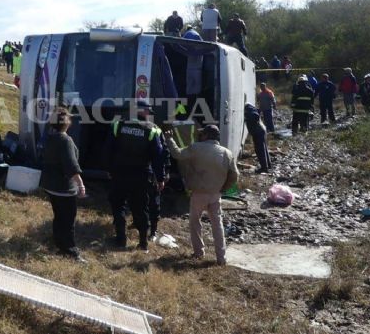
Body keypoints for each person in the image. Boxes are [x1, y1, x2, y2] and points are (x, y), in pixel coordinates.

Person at [164, 124, 238, 265]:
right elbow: (234, 175)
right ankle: (221, 258)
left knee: (195, 222)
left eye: (202, 134)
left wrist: (169, 139)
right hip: (216, 194)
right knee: (217, 224)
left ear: (206, 135)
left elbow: (177, 154)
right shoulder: (227, 153)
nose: (200, 135)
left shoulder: (196, 147)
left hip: (198, 193)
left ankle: (199, 252)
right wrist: (223, 188)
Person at [105, 101, 165, 252]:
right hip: (141, 175)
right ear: (142, 111)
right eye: (148, 111)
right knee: (140, 208)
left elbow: (108, 149)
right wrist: (160, 178)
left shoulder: (118, 125)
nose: (150, 113)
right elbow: (158, 157)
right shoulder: (153, 130)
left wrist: (108, 169)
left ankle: (120, 240)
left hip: (119, 173)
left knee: (118, 205)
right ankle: (143, 243)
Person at [38, 108, 87, 261]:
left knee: (59, 216)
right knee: (68, 220)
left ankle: (58, 242)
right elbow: (71, 165)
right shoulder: (65, 140)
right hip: (64, 187)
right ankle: (71, 251)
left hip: (50, 185)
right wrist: (81, 185)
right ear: (67, 123)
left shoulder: (50, 137)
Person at [244, 104, 271, 173]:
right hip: (260, 131)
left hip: (258, 132)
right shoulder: (252, 109)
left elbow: (255, 116)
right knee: (263, 148)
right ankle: (268, 165)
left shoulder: (250, 111)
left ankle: (264, 168)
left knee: (259, 150)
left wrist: (247, 118)